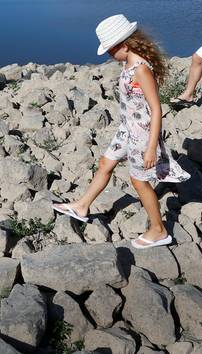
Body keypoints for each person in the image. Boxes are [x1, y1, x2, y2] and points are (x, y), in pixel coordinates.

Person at [52, 14, 190, 249]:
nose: (108, 54)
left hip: (142, 134)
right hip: (127, 129)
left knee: (139, 182)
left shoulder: (140, 69)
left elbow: (156, 110)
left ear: (124, 45)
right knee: (105, 163)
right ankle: (82, 206)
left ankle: (159, 230)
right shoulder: (129, 64)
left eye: (110, 49)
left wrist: (151, 149)